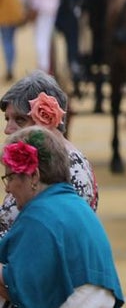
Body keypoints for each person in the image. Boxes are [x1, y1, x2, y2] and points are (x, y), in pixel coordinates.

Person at [0, 125, 123, 308]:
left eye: (10, 177)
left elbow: (20, 289)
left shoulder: (39, 215)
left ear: (34, 176)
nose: (7, 188)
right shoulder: (73, 205)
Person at [0, 71, 98, 237]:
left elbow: (52, 239)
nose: (8, 130)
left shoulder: (72, 169)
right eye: (7, 119)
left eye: (20, 120)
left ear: (46, 121)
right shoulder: (45, 161)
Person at [0, 0, 22, 83]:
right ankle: (10, 66)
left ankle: (9, 68)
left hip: (4, 15)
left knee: (7, 41)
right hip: (15, 14)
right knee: (11, 42)